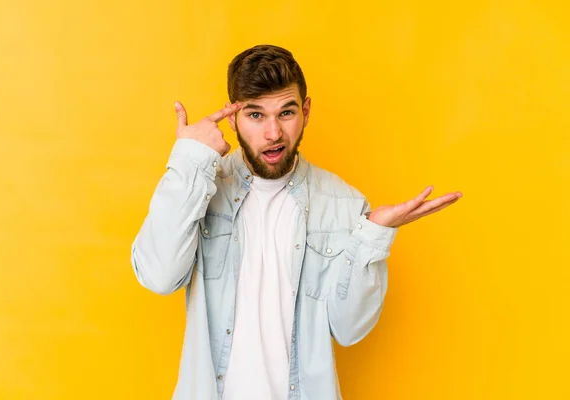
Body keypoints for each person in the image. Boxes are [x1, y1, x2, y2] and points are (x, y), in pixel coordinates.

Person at [130, 44, 462, 400]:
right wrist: (190, 161)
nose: (273, 133)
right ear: (232, 119)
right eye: (255, 116)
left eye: (285, 113)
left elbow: (350, 329)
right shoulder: (202, 183)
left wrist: (373, 234)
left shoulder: (344, 204)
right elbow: (158, 276)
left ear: (305, 110)